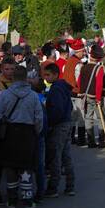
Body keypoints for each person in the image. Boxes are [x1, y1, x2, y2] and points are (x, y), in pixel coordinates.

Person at [0, 66, 43, 208]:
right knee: (26, 166)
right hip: (27, 133)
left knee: (11, 166)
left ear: (13, 78)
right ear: (26, 78)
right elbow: (39, 117)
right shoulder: (33, 95)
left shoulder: (5, 94)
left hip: (9, 132)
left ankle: (12, 199)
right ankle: (27, 199)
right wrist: (36, 131)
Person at [43, 63, 75, 198]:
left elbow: (57, 110)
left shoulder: (56, 89)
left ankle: (53, 187)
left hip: (59, 125)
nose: (45, 77)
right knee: (66, 156)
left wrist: (50, 122)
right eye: (44, 74)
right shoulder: (62, 87)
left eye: (48, 75)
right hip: (66, 123)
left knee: (56, 156)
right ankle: (70, 185)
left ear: (55, 74)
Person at [79, 45, 105, 148]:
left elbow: (79, 82)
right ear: (99, 58)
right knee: (101, 118)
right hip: (95, 97)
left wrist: (82, 94)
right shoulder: (99, 68)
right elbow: (99, 85)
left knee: (88, 117)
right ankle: (101, 141)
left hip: (85, 96)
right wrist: (99, 99)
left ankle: (90, 141)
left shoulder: (83, 67)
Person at [63, 39, 86, 146]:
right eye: (83, 51)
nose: (84, 53)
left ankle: (71, 138)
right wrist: (81, 91)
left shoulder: (69, 61)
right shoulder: (78, 64)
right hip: (77, 92)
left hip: (68, 91)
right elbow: (79, 79)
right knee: (81, 116)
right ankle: (81, 139)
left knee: (72, 116)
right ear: (78, 52)